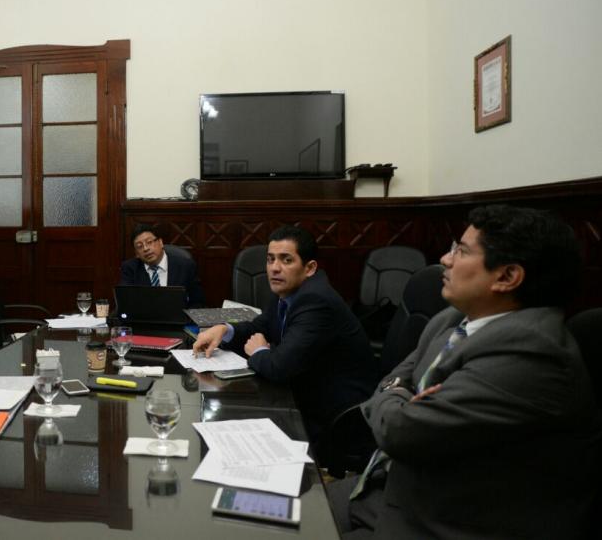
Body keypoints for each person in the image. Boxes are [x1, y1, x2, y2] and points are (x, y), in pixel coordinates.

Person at [327, 205, 601, 540]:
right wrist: (402, 393)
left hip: (442, 521)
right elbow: (391, 380)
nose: (445, 259)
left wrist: (397, 397)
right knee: (268, 508)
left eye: (461, 250)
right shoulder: (454, 319)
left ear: (506, 277)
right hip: (388, 487)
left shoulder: (532, 353)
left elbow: (400, 431)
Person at [192, 225, 376, 452]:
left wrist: (259, 351)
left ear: (309, 268)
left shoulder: (316, 301)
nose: (274, 268)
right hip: (303, 392)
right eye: (270, 260)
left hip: (333, 413)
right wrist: (223, 329)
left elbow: (279, 367)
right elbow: (259, 327)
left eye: (286, 260)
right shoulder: (289, 291)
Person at [119, 224, 205, 306]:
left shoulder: (186, 266)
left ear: (160, 242)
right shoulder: (130, 268)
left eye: (149, 242)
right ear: (136, 253)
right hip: (145, 319)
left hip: (179, 319)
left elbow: (197, 302)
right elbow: (126, 302)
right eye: (139, 246)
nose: (146, 249)